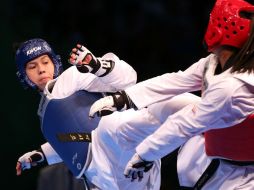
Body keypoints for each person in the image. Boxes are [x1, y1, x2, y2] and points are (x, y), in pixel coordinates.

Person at [88, 0, 254, 189]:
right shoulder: (215, 63)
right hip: (214, 146)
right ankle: (115, 150)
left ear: (220, 28)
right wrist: (123, 98)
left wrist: (145, 155)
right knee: (175, 103)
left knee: (183, 116)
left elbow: (184, 124)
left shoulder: (232, 87)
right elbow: (176, 81)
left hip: (239, 176)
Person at [16, 38, 201, 189]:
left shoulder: (70, 78)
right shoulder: (44, 116)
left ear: (54, 63)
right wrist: (41, 154)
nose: (41, 69)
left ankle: (209, 113)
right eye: (32, 66)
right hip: (109, 178)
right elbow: (74, 139)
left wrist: (97, 65)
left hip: (120, 152)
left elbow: (128, 78)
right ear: (24, 75)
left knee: (118, 122)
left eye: (45, 62)